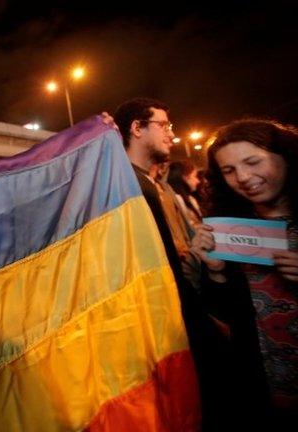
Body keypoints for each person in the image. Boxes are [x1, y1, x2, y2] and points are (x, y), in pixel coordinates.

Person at [115, 97, 231, 429]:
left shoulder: (159, 187)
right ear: (137, 128)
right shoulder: (125, 185)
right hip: (163, 311)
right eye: (163, 125)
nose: (171, 134)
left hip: (187, 299)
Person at [190, 119, 298, 426]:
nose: (244, 177)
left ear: (285, 156)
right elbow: (225, 314)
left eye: (252, 162)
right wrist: (216, 272)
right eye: (228, 171)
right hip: (263, 390)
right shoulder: (229, 228)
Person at [168, 160, 203, 226]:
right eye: (195, 176)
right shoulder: (177, 200)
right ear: (184, 177)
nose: (198, 181)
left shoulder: (189, 198)